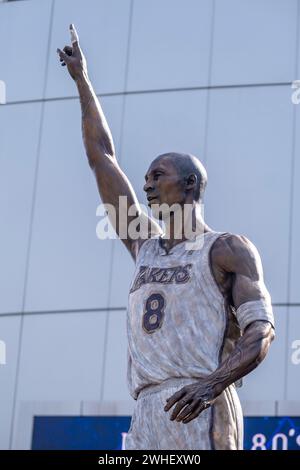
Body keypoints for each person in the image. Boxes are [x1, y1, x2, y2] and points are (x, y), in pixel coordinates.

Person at [57, 25, 275, 450]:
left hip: (202, 401)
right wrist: (83, 81)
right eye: (146, 179)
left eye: (158, 176)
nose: (148, 186)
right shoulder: (144, 243)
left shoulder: (227, 249)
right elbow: (101, 156)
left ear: (191, 184)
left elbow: (262, 334)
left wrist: (211, 385)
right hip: (147, 408)